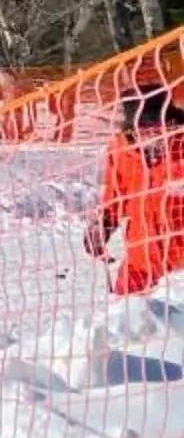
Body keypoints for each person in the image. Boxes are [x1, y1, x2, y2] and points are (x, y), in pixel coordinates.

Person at [87, 90, 184, 298]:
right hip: (140, 261)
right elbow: (115, 193)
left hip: (180, 268)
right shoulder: (120, 148)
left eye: (157, 128)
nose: (152, 134)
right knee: (125, 320)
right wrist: (103, 223)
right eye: (144, 129)